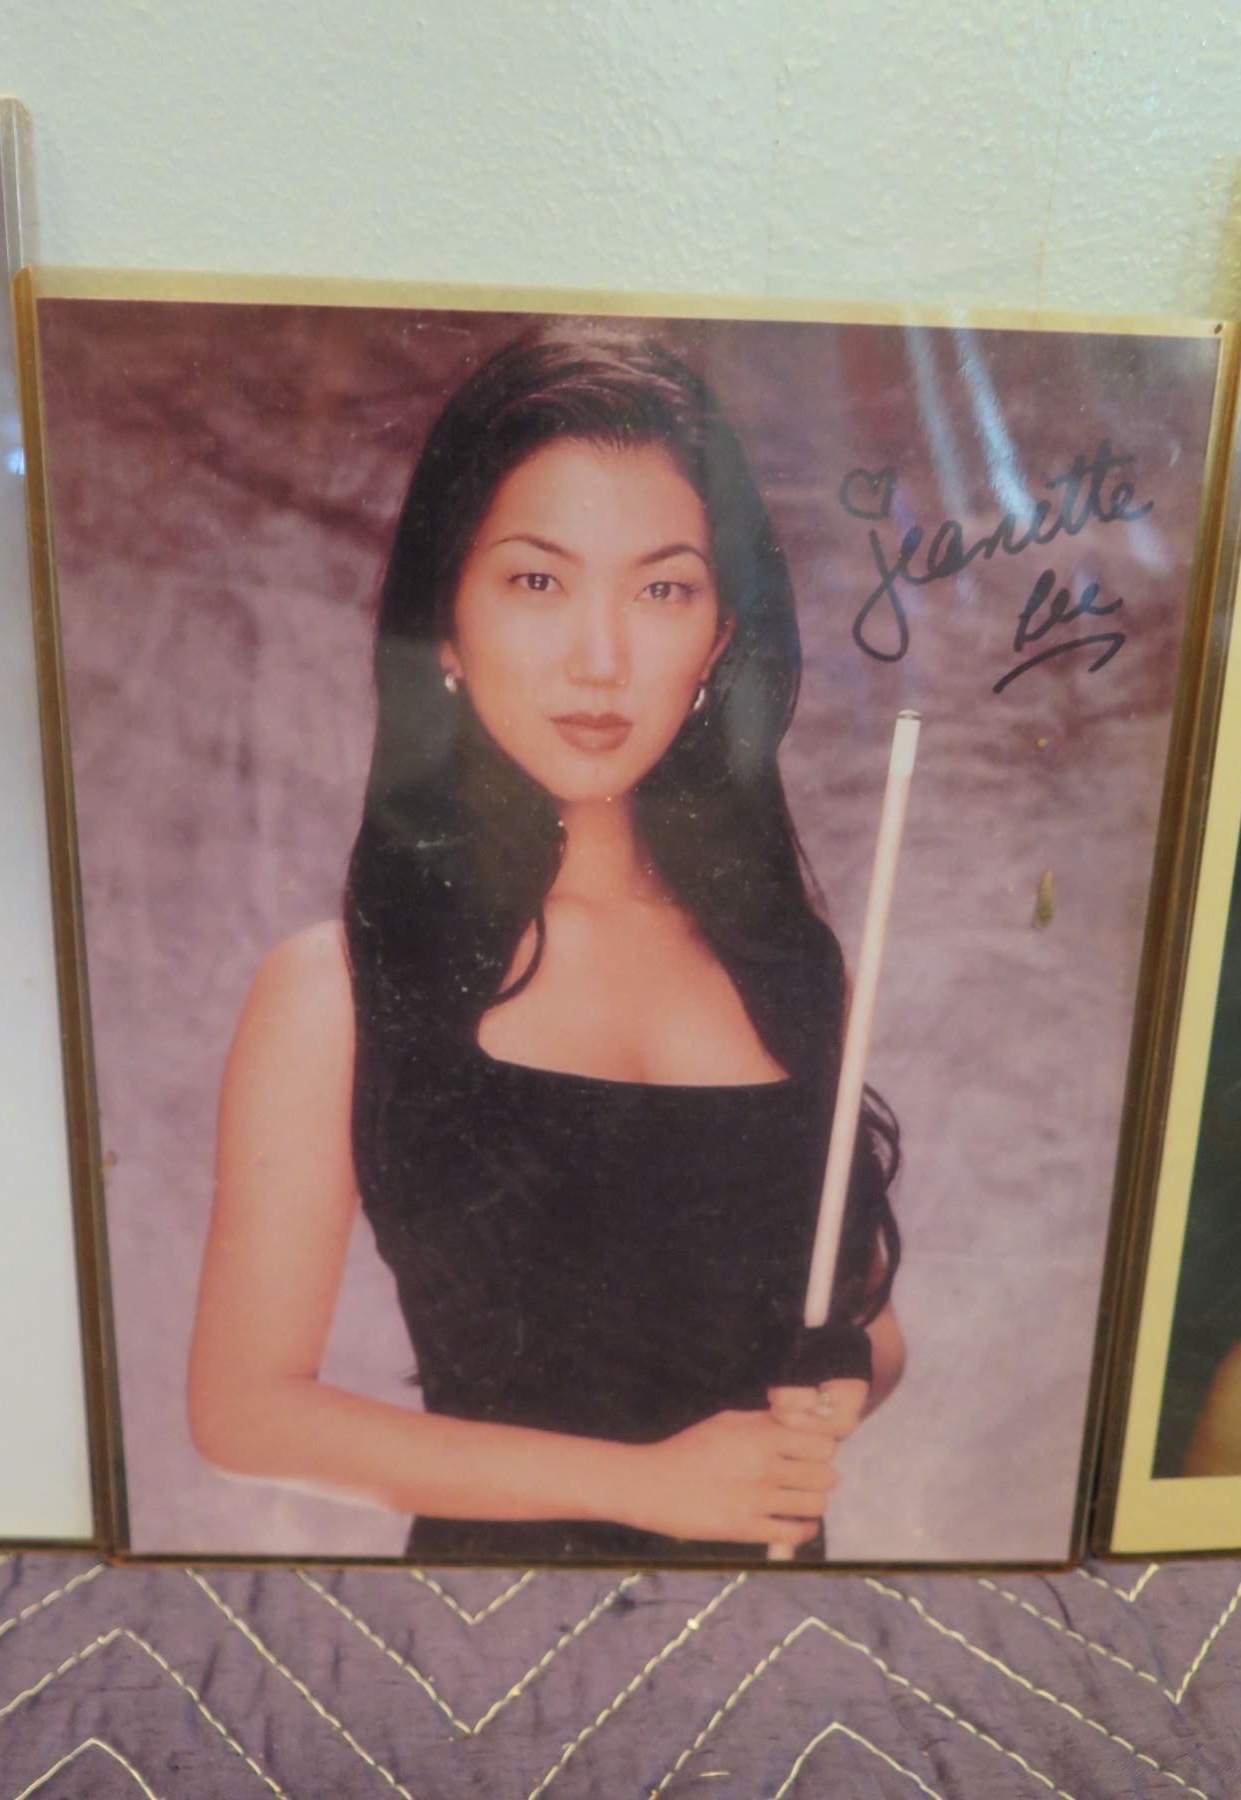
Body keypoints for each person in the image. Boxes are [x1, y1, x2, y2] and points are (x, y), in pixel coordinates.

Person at [187, 323, 905, 1562]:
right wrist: (645, 1486)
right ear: (446, 625)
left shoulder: (791, 961)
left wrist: (844, 1380)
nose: (601, 658)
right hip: (492, 1636)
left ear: (717, 640)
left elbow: (868, 1330)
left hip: (773, 1632)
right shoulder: (333, 989)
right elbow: (243, 1414)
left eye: (663, 589)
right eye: (537, 581)